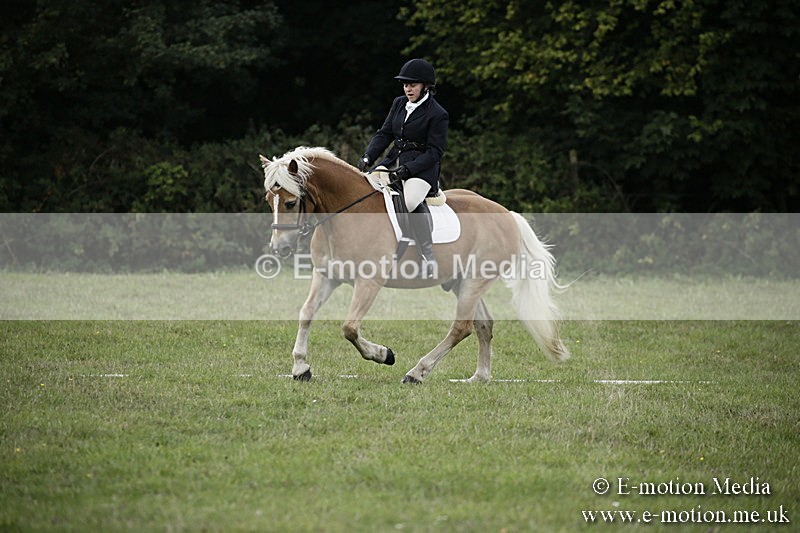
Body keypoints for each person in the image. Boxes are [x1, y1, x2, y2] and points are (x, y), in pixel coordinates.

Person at [358, 58, 449, 279]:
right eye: (405, 84)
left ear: (425, 86)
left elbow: (435, 152)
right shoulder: (399, 103)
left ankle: (427, 255)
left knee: (408, 201)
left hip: (422, 171)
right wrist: (369, 156)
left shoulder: (438, 113)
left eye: (413, 85)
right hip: (393, 162)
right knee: (365, 191)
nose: (408, 89)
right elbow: (385, 133)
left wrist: (408, 170)